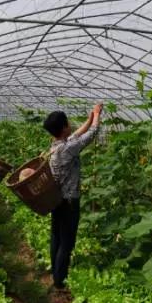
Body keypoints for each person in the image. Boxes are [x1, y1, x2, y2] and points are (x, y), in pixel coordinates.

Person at [43, 104, 103, 290]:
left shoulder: (56, 146)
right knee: (66, 241)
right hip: (69, 201)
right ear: (63, 127)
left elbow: (76, 134)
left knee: (57, 238)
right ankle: (60, 281)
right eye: (67, 123)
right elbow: (91, 134)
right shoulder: (68, 149)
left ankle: (56, 273)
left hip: (56, 200)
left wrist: (90, 117)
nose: (70, 125)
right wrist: (97, 115)